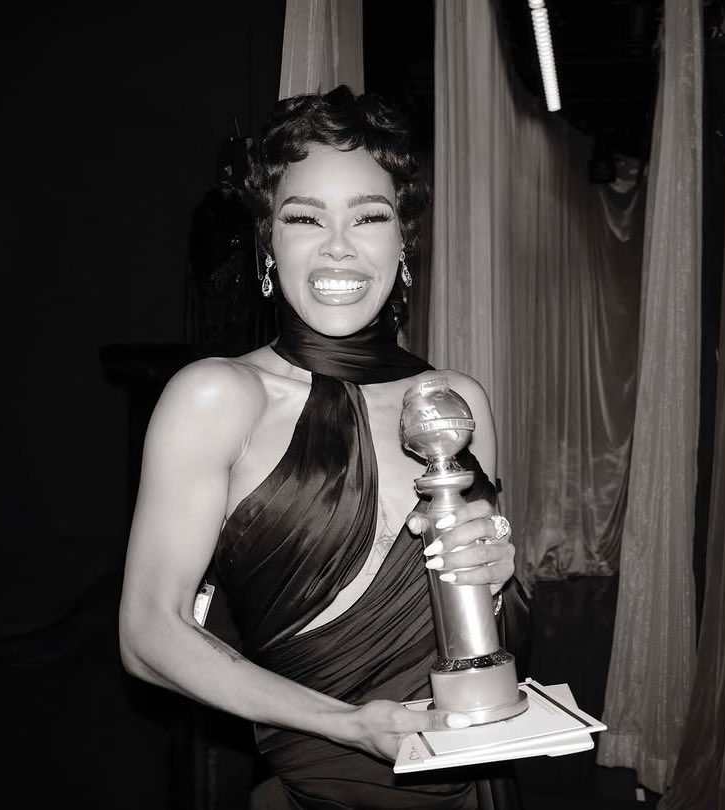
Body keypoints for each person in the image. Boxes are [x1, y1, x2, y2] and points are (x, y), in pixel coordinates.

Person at [119, 85, 528, 809]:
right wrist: (347, 725)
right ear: (268, 245)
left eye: (369, 216)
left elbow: (479, 636)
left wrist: (497, 573)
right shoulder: (218, 397)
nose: (338, 244)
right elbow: (149, 634)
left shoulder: (455, 402)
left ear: (404, 244)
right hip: (326, 788)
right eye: (305, 218)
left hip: (475, 777)